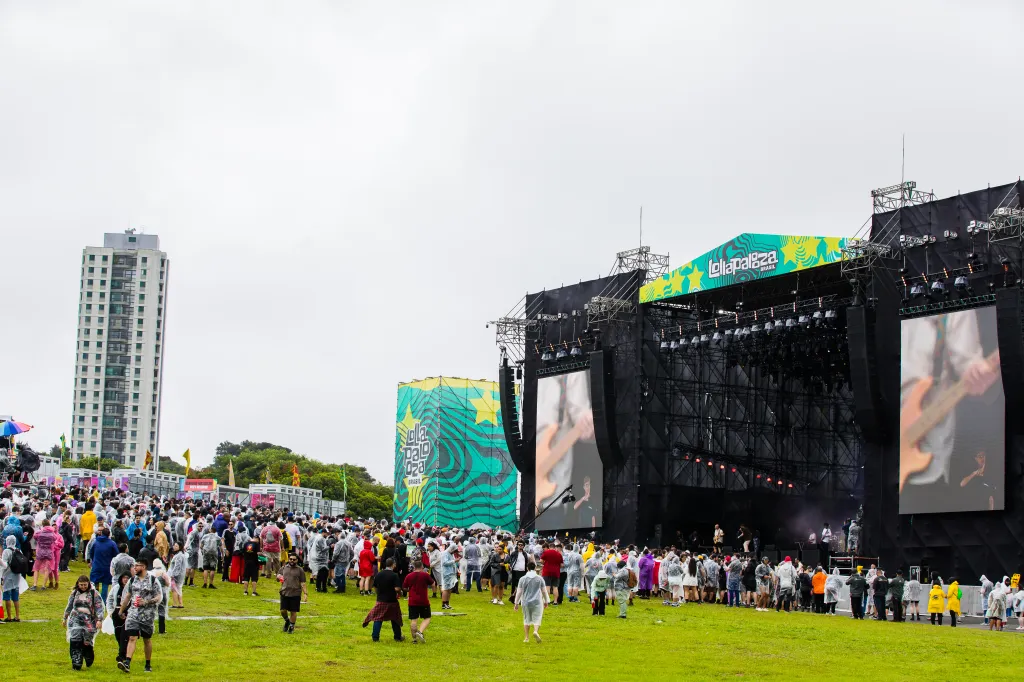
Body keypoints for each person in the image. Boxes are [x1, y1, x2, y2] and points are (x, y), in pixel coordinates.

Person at [117, 559, 163, 674]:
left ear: (144, 567)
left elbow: (159, 597)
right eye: (135, 565)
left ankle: (148, 664)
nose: (135, 568)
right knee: (132, 637)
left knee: (146, 639)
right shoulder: (132, 580)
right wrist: (121, 611)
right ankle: (127, 662)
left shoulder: (153, 580)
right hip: (133, 614)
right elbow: (127, 596)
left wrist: (147, 602)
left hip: (148, 616)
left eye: (137, 566)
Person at [63, 574, 104, 670]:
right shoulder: (74, 593)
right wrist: (64, 618)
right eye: (81, 585)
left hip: (89, 622)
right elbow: (69, 606)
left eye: (85, 584)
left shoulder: (94, 594)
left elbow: (99, 607)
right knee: (75, 640)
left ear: (88, 584)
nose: (83, 587)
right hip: (75, 620)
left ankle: (88, 653)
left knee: (86, 642)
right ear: (78, 584)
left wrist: (99, 620)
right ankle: (76, 660)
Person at [363, 557, 404, 642]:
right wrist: (399, 593)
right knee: (395, 618)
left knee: (378, 618)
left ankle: (375, 637)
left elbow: (375, 586)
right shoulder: (394, 575)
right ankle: (397, 637)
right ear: (393, 565)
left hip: (381, 599)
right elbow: (397, 588)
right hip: (392, 600)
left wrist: (379, 593)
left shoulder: (379, 574)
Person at [514, 558, 549, 643]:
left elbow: (519, 592)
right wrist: (546, 601)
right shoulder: (539, 578)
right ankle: (535, 631)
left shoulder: (523, 579)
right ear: (535, 568)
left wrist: (516, 603)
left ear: (527, 568)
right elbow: (544, 591)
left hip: (526, 601)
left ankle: (526, 637)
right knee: (537, 617)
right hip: (537, 601)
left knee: (526, 619)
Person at [402, 558, 434, 643]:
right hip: (424, 600)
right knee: (427, 617)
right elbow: (433, 583)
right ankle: (420, 631)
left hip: (412, 601)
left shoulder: (409, 576)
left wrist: (409, 590)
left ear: (414, 567)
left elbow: (404, 587)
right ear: (422, 567)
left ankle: (414, 639)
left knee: (414, 620)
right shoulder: (425, 575)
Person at [276, 553, 307, 634]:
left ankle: (291, 627)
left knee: (293, 611)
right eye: (290, 559)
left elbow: (303, 582)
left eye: (294, 559)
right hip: (284, 592)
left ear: (297, 560)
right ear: (288, 559)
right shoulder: (283, 568)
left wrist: (305, 594)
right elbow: (278, 577)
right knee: (283, 610)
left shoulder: (300, 570)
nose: (292, 561)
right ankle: (287, 621)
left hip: (295, 593)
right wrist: (278, 577)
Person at [89, 528, 119, 602]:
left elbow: (91, 552)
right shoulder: (112, 543)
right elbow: (116, 555)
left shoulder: (96, 542)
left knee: (95, 583)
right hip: (106, 567)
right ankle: (102, 601)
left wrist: (93, 561)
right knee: (105, 584)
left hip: (96, 565)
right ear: (109, 534)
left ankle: (94, 599)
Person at [108, 572, 131, 665]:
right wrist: (110, 611)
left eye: (127, 578)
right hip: (116, 612)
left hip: (128, 613)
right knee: (118, 634)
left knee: (124, 634)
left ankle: (121, 655)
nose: (125, 580)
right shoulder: (116, 588)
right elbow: (109, 599)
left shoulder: (132, 588)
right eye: (124, 578)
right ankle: (123, 651)